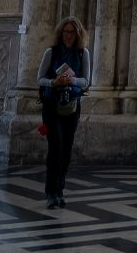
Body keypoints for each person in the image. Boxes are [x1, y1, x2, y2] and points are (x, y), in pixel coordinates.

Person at [37, 17, 91, 208]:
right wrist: (54, 82)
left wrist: (71, 81)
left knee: (66, 150)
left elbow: (86, 81)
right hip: (52, 105)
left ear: (78, 35)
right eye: (66, 32)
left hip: (72, 106)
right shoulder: (51, 53)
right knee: (56, 146)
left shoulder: (83, 54)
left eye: (72, 32)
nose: (69, 36)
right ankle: (50, 191)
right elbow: (40, 79)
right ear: (61, 33)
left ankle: (60, 189)